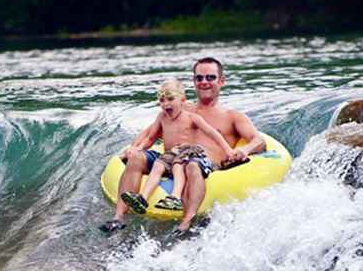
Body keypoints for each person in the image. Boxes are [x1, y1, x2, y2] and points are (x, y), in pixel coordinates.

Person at [100, 56, 266, 234]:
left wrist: (243, 150)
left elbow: (259, 141)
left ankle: (186, 223)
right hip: (169, 159)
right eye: (199, 78)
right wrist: (135, 148)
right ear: (193, 81)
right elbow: (150, 133)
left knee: (192, 165)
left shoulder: (232, 116)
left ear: (221, 81)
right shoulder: (179, 108)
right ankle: (118, 219)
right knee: (136, 158)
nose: (204, 82)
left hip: (201, 164)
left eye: (210, 77)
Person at [119, 79, 239, 215]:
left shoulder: (192, 117)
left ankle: (175, 197)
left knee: (177, 166)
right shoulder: (162, 117)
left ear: (182, 100)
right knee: (158, 165)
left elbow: (212, 133)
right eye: (162, 100)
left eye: (170, 99)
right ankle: (142, 198)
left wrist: (228, 150)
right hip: (171, 153)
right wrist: (138, 148)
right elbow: (151, 137)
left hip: (187, 152)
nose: (166, 104)